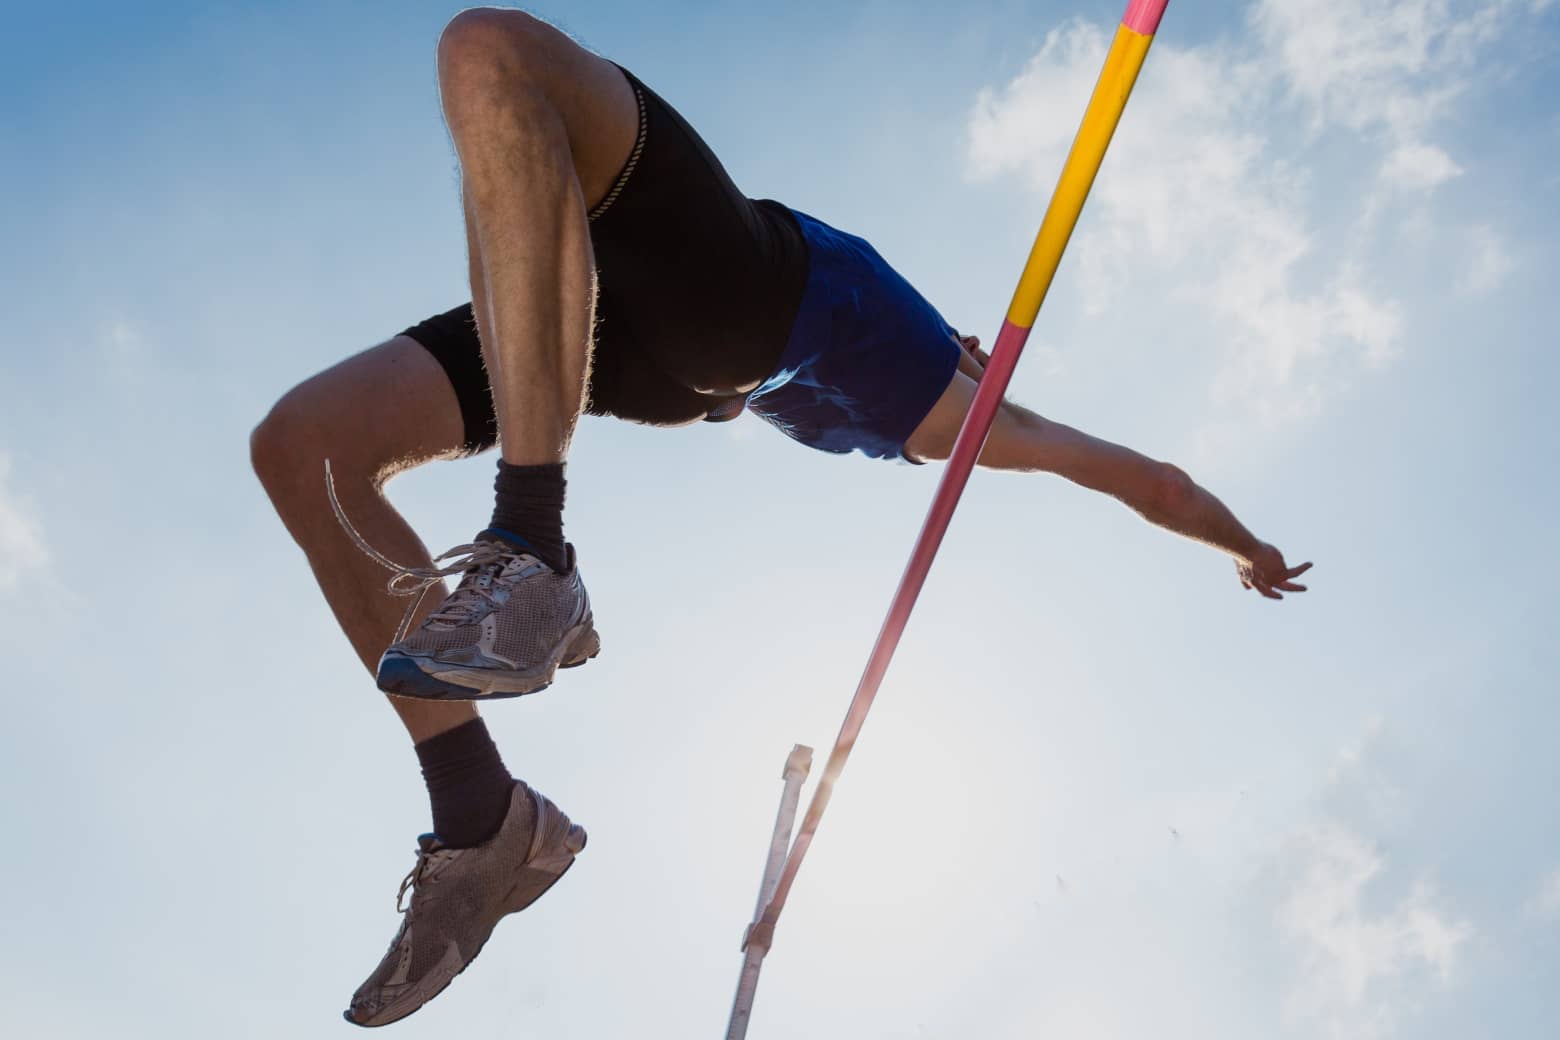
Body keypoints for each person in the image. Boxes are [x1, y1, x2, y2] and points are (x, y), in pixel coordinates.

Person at [250, 8, 1312, 1028]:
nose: (975, 345)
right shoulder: (928, 409)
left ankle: (533, 540)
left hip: (735, 309)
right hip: (632, 337)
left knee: (489, 49)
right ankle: (479, 809)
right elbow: (1148, 479)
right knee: (306, 447)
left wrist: (1245, 545)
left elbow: (1149, 480)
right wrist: (1245, 549)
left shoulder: (965, 414)